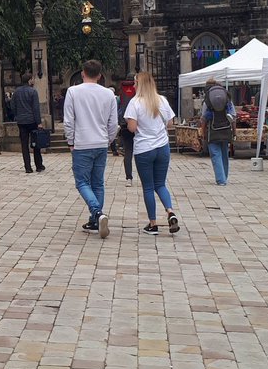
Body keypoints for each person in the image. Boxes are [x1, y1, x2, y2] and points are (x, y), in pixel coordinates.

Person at [63, 59, 118, 237]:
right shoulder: (108, 94)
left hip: (82, 142)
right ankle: (95, 220)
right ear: (100, 75)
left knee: (82, 182)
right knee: (98, 183)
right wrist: (109, 140)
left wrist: (70, 141)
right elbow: (113, 122)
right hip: (101, 142)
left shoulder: (73, 91)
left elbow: (69, 120)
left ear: (82, 73)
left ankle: (97, 212)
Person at [125, 70, 180, 235]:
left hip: (144, 148)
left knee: (148, 187)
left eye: (135, 83)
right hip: (162, 146)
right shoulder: (161, 100)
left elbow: (132, 128)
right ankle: (170, 211)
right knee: (160, 184)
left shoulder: (134, 103)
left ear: (139, 84)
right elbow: (170, 123)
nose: (133, 85)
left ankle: (153, 223)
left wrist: (129, 123)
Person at [199, 76, 235, 185]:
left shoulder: (208, 100)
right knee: (224, 153)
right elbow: (233, 116)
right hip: (225, 130)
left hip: (213, 131)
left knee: (215, 155)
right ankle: (224, 176)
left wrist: (203, 131)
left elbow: (204, 118)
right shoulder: (227, 99)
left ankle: (221, 179)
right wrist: (234, 131)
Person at [10, 73, 45, 174]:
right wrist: (39, 122)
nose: (33, 81)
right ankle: (38, 165)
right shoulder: (33, 91)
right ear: (30, 80)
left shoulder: (16, 92)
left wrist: (17, 115)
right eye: (33, 79)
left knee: (24, 145)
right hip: (32, 120)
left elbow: (12, 106)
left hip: (21, 121)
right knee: (36, 144)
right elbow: (36, 108)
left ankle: (28, 167)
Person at [119, 78, 136, 186]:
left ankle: (128, 178)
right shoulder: (138, 98)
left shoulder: (120, 95)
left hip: (125, 126)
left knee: (128, 152)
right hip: (138, 127)